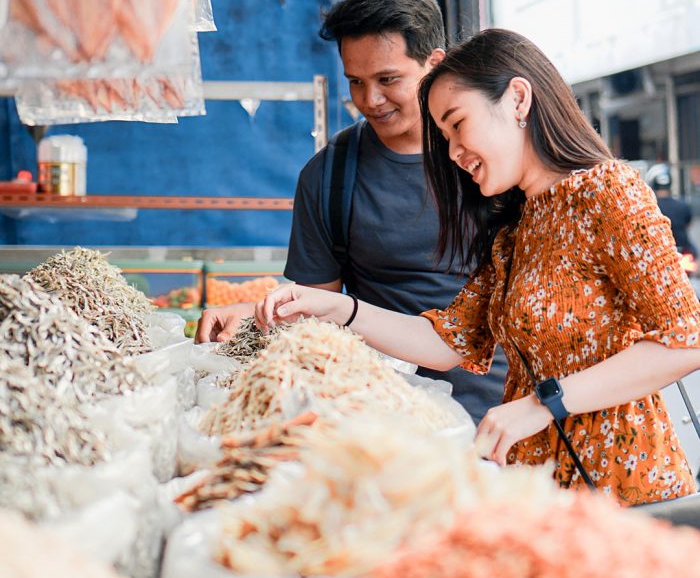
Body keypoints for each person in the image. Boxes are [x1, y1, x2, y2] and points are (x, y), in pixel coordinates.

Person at [255, 28, 700, 507]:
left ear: (517, 99)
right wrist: (337, 306)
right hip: (537, 492)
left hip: (620, 490)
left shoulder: (607, 192)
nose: (451, 153)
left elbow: (685, 341)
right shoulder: (516, 228)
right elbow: (447, 343)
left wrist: (543, 403)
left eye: (457, 124)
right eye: (443, 136)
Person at [196, 0, 506, 424]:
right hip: (389, 426)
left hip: (512, 417)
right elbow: (317, 310)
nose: (370, 99)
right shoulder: (329, 176)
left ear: (435, 64)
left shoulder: (490, 158)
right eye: (355, 81)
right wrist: (254, 313)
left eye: (387, 79)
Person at [647, 164, 698, 257]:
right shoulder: (683, 205)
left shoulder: (650, 208)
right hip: (685, 254)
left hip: (662, 255)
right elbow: (688, 225)